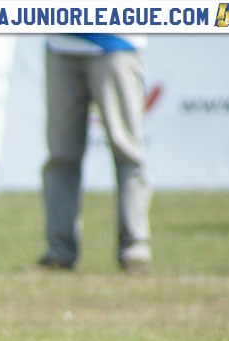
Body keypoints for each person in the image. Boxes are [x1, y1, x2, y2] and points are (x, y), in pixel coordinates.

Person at [37, 34, 152, 273]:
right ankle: (59, 252)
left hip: (115, 42)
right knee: (60, 157)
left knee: (127, 153)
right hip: (62, 43)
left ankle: (135, 249)